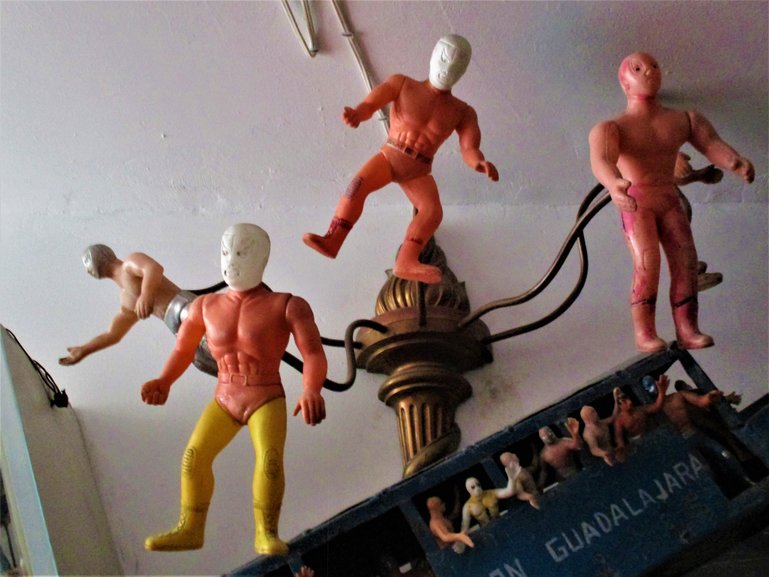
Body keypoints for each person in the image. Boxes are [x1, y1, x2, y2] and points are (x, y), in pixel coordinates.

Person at [141, 223, 327, 556]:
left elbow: (312, 353)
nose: (232, 261)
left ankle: (266, 533)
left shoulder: (287, 305)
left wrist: (312, 389)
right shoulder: (204, 306)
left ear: (263, 259)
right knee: (194, 457)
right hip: (225, 395)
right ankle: (190, 528)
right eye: (226, 252)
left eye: (242, 253)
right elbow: (183, 349)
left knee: (270, 460)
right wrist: (164, 380)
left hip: (265, 395)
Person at [589, 52, 754, 352]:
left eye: (653, 66)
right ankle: (645, 333)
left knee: (686, 262)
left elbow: (710, 143)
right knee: (647, 264)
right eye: (638, 68)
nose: (648, 72)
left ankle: (687, 328)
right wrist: (614, 184)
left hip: (669, 199)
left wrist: (734, 161)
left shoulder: (682, 120)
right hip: (637, 203)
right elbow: (601, 159)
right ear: (624, 82)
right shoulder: (612, 128)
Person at [303, 34, 498, 285]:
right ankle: (333, 240)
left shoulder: (462, 112)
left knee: (433, 212)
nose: (447, 68)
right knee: (357, 186)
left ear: (464, 71)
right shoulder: (403, 84)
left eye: (457, 65)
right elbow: (371, 103)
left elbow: (469, 147)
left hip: (419, 170)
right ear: (432, 57)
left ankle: (406, 260)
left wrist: (478, 162)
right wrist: (358, 114)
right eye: (443, 58)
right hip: (391, 155)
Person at [59, 245, 217, 376]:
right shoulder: (126, 298)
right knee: (201, 361)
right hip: (174, 324)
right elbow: (113, 334)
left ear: (99, 255)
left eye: (87, 262)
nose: (87, 270)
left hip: (183, 306)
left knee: (214, 339)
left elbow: (153, 268)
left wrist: (147, 294)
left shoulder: (129, 264)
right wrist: (84, 350)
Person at [613, 374, 668, 461]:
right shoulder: (619, 420)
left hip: (650, 436)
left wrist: (661, 391)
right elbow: (619, 436)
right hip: (636, 443)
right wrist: (621, 446)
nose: (629, 402)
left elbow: (657, 406)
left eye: (628, 399)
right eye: (624, 401)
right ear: (620, 405)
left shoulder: (640, 410)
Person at [538, 418, 583, 486]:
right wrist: (540, 485)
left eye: (549, 433)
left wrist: (575, 434)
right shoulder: (543, 454)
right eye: (544, 436)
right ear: (541, 439)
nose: (548, 436)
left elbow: (578, 446)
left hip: (574, 473)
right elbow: (544, 471)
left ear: (552, 432)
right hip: (560, 479)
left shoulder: (564, 442)